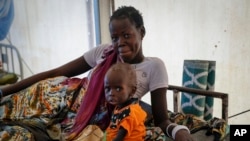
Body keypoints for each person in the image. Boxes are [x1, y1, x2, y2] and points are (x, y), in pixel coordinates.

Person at [0, 6, 193, 141]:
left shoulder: (154, 67)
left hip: (76, 119)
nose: (120, 43)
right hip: (55, 97)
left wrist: (178, 131)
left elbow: (161, 118)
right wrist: (4, 90)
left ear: (141, 32)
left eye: (127, 35)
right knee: (8, 108)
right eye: (115, 37)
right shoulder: (104, 52)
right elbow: (58, 72)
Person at [104, 62, 146, 141]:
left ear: (132, 91)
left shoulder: (130, 112)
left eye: (118, 89)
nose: (111, 93)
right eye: (108, 88)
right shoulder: (119, 107)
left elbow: (119, 138)